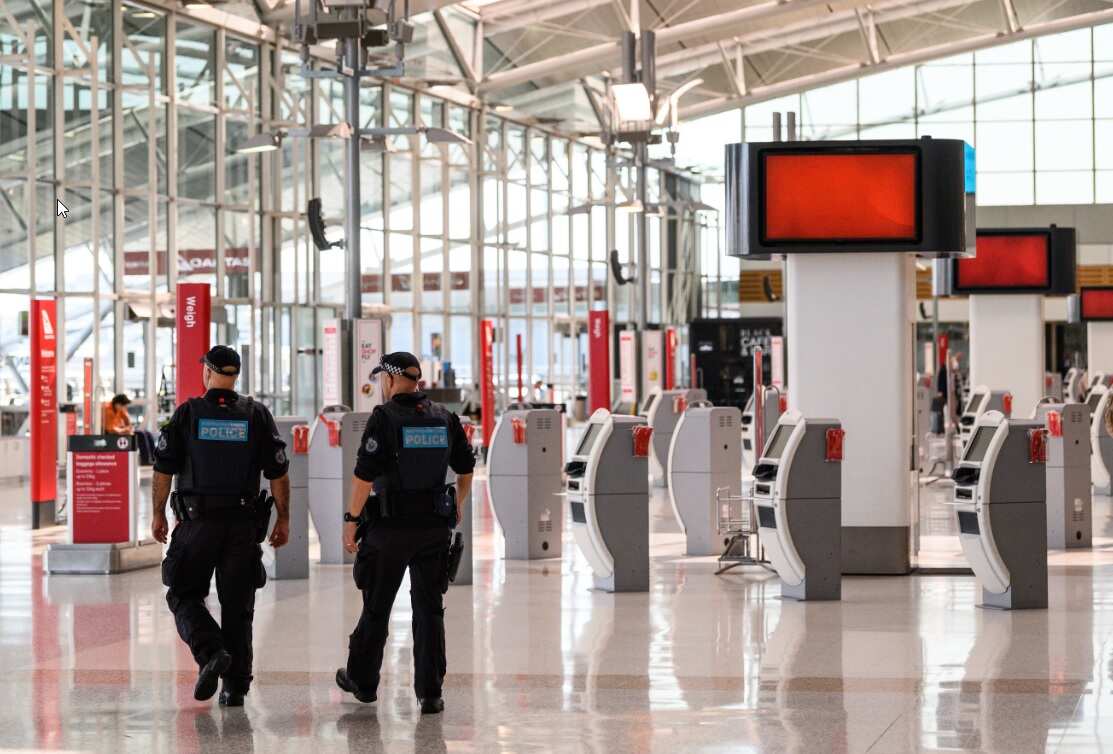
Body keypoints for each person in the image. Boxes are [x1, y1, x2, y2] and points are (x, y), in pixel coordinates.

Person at [150, 345, 291, 707]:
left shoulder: (188, 413)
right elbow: (278, 473)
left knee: (183, 593)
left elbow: (163, 469)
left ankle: (211, 650)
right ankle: (235, 689)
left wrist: (157, 514)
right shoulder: (257, 415)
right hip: (244, 526)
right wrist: (284, 518)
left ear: (208, 372)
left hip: (197, 524)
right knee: (238, 605)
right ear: (236, 374)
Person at [335, 352, 475, 715]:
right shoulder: (444, 418)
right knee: (429, 609)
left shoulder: (384, 418)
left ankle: (363, 682)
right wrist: (458, 501)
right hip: (433, 529)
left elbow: (364, 476)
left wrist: (351, 520)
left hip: (390, 529)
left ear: (391, 379)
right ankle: (430, 693)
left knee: (377, 607)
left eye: (382, 378)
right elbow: (466, 467)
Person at [104, 393, 156, 465]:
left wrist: (128, 427)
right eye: (123, 406)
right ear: (117, 404)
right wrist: (125, 430)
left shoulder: (119, 409)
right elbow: (110, 429)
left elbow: (128, 422)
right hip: (113, 434)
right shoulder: (108, 411)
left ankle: (154, 458)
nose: (124, 407)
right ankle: (145, 460)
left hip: (122, 431)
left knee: (147, 433)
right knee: (141, 435)